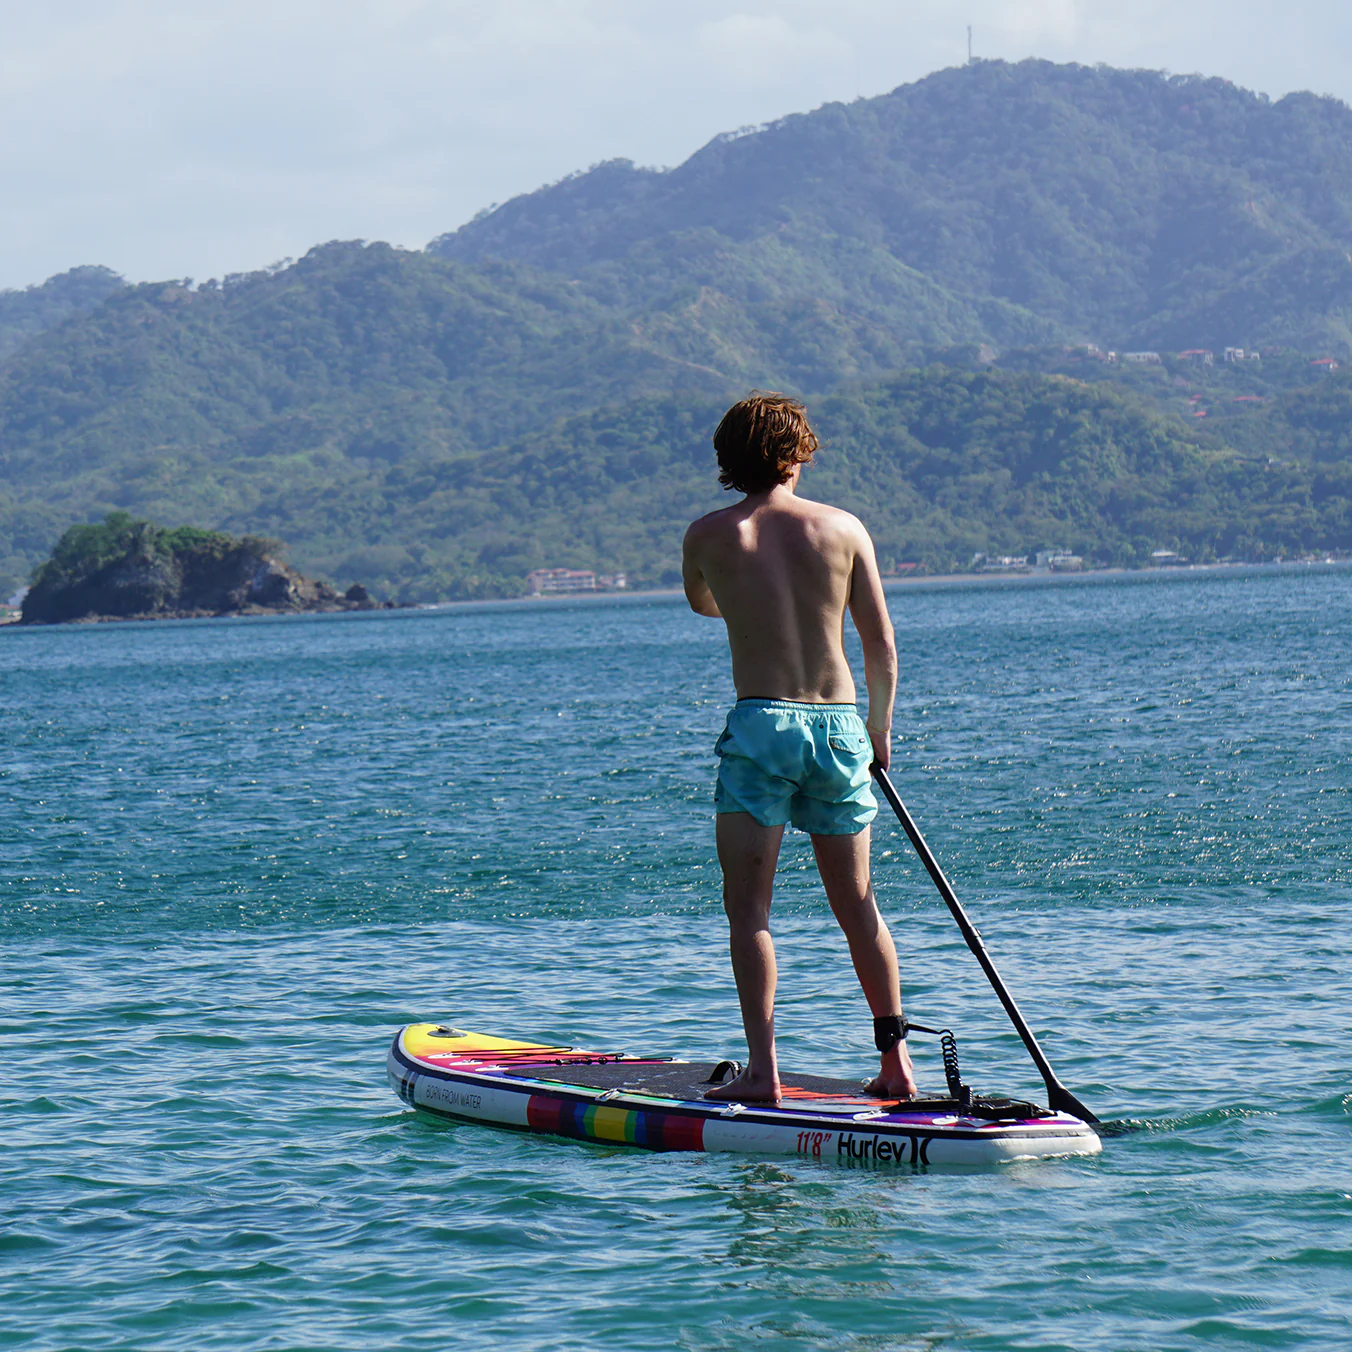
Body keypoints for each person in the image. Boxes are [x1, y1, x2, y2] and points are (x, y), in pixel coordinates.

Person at [681, 392, 919, 1104]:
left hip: (761, 727)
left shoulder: (707, 535)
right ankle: (897, 1065)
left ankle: (764, 1074)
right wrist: (879, 730)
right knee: (859, 907)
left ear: (729, 460)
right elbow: (880, 643)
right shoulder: (843, 528)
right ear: (796, 455)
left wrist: (748, 595)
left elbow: (703, 603)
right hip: (839, 725)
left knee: (749, 910)